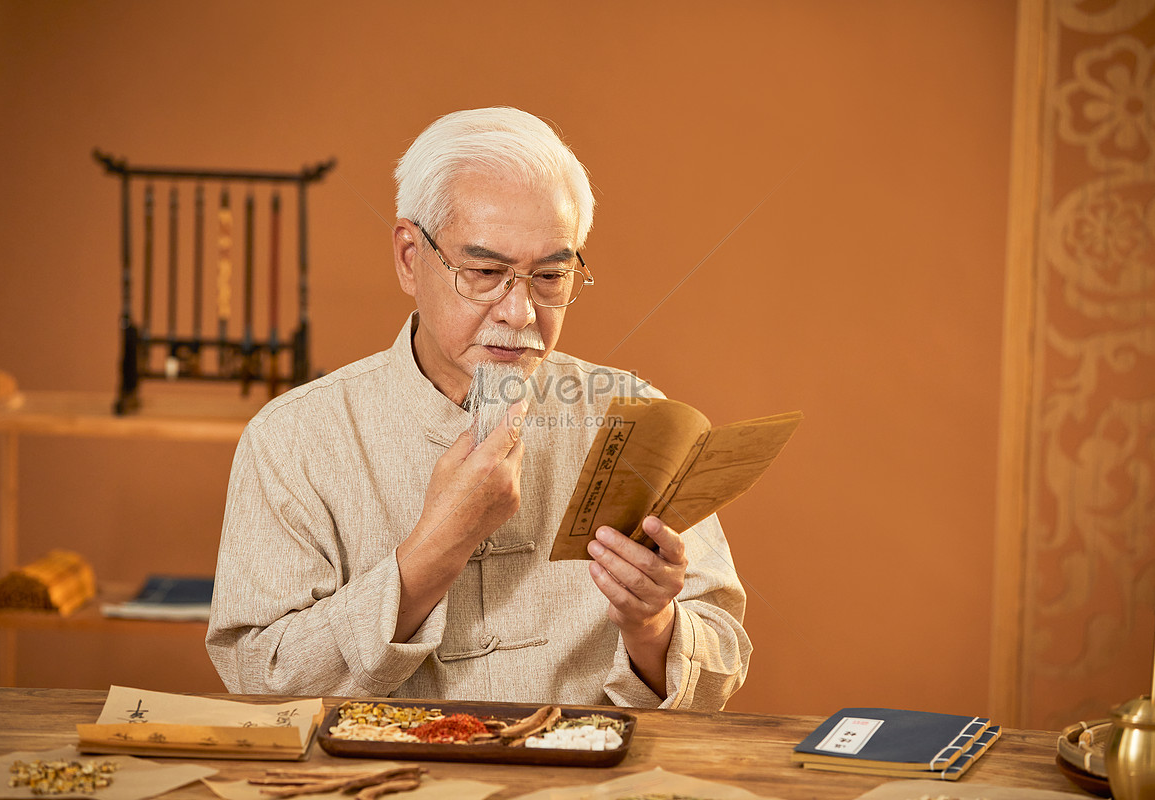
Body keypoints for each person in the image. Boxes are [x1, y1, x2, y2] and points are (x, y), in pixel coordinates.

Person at [206, 107, 751, 709]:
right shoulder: (293, 439)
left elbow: (722, 665)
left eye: (550, 274)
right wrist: (435, 549)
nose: (519, 312)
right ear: (411, 256)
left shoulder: (636, 418)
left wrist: (652, 626)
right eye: (486, 271)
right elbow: (261, 680)